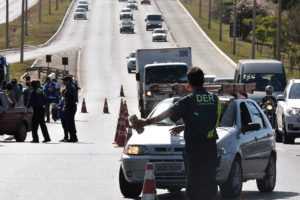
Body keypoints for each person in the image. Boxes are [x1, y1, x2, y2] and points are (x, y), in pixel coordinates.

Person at [138, 67, 221, 200]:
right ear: (203, 81)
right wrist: (185, 126)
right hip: (210, 146)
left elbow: (168, 113)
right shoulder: (215, 100)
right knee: (209, 180)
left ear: (189, 83)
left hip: (194, 146)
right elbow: (211, 121)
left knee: (193, 180)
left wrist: (147, 121)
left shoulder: (188, 100)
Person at [62, 76, 78, 142]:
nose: (63, 82)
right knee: (70, 122)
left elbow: (69, 99)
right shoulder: (68, 87)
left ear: (68, 81)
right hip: (70, 106)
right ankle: (73, 137)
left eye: (65, 80)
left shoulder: (71, 88)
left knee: (70, 122)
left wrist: (65, 107)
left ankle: (73, 137)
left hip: (70, 106)